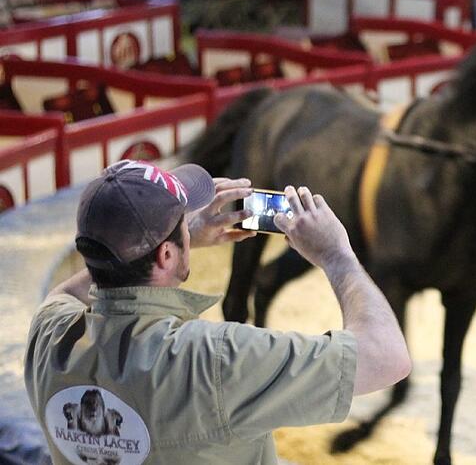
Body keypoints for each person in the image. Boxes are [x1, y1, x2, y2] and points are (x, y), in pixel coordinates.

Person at [23, 160, 410, 465]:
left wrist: (171, 242)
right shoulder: (215, 359)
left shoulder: (49, 335)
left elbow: (64, 293)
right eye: (181, 229)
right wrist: (336, 256)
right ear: (167, 254)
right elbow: (387, 357)